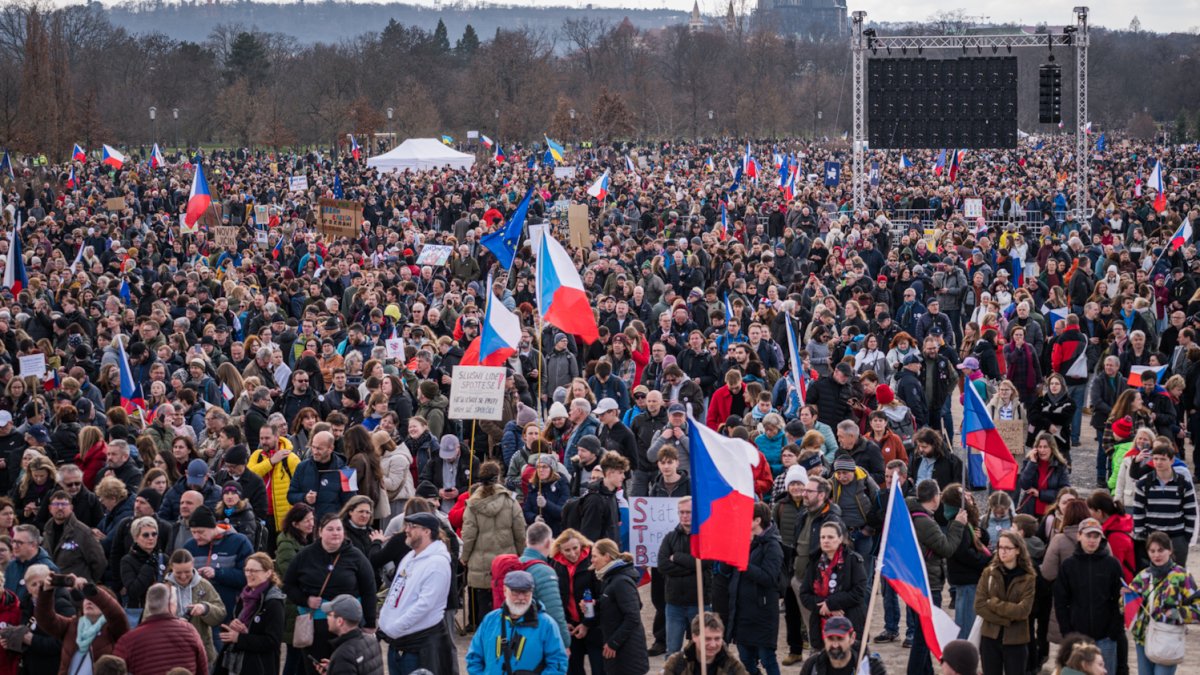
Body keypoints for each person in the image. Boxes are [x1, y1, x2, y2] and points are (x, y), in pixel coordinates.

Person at [281, 514, 378, 675]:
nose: (335, 533)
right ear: (320, 532)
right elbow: (288, 585)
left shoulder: (355, 555)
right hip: (315, 625)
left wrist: (370, 622)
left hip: (347, 625)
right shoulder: (305, 555)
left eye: (339, 529)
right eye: (330, 529)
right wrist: (305, 600)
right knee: (316, 670)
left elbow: (369, 589)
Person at [379, 511, 453, 675]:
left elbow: (425, 605)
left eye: (412, 526)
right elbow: (395, 593)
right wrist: (385, 622)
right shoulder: (410, 557)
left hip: (419, 647)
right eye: (407, 525)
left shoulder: (437, 564)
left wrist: (395, 628)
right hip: (398, 643)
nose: (406, 530)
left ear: (427, 531)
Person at [908, 478, 968, 675]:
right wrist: (958, 525)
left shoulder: (912, 514)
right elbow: (946, 548)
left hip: (917, 582)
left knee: (925, 634)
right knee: (923, 637)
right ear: (935, 497)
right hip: (928, 584)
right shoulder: (924, 522)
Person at [459, 460, 527, 629]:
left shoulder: (472, 504)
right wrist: (522, 553)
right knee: (505, 602)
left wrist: (464, 556)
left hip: (480, 562)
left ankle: (485, 636)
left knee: (483, 604)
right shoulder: (510, 502)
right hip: (506, 561)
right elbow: (520, 531)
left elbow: (468, 535)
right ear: (498, 477)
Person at [1053, 517, 1125, 675]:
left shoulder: (1112, 564)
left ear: (1101, 538)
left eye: (1096, 536)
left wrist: (1114, 630)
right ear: (1079, 536)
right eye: (1088, 536)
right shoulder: (1068, 565)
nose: (1092, 540)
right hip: (1078, 639)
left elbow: (1120, 600)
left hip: (1106, 637)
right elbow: (1060, 601)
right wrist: (1067, 632)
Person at [465, 570, 569, 675]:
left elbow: (558, 664)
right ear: (505, 590)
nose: (521, 598)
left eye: (526, 592)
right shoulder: (490, 619)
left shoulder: (547, 624)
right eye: (515, 592)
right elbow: (474, 658)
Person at [1125, 531, 1200, 675]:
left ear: (1170, 550)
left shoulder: (1182, 576)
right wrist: (1125, 598)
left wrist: (1178, 613)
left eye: (1161, 550)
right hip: (1143, 638)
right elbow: (1126, 609)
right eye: (1152, 551)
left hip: (1168, 638)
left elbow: (1198, 608)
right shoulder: (1142, 576)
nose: (1156, 555)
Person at [34, 573, 129, 675]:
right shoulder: (72, 625)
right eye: (86, 598)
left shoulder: (114, 627)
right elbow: (45, 619)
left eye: (94, 599)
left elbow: (117, 614)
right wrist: (46, 592)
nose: (89, 601)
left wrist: (91, 589)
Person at [799, 520, 867, 653]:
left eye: (830, 537)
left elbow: (859, 592)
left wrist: (831, 604)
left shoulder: (853, 560)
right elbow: (805, 594)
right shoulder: (814, 561)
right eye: (822, 537)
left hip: (850, 622)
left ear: (840, 539)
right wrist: (826, 608)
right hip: (820, 626)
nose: (826, 541)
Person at [974, 531, 1036, 675]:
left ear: (1018, 550)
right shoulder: (989, 573)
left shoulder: (1028, 578)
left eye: (1008, 548)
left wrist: (994, 603)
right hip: (990, 637)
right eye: (1000, 547)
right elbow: (979, 605)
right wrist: (1006, 620)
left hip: (1017, 640)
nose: (1003, 551)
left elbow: (1023, 611)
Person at [112, 583, 209, 675]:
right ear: (171, 604)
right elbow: (203, 670)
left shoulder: (129, 640)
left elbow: (113, 669)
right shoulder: (189, 631)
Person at [215, 552, 286, 675]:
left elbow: (272, 641)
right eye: (247, 570)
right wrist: (231, 626)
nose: (248, 574)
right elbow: (235, 628)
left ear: (268, 573)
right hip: (234, 664)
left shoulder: (273, 603)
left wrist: (240, 638)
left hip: (259, 667)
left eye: (254, 571)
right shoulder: (244, 596)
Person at [591, 538, 649, 675]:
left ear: (606, 557)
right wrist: (596, 604)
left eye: (594, 556)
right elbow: (614, 603)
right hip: (620, 650)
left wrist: (614, 643)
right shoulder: (610, 577)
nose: (592, 561)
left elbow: (633, 616)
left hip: (628, 652)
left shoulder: (621, 581)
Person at [1131, 443, 1196, 565]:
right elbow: (1138, 511)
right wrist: (1141, 535)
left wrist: (1186, 537)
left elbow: (1191, 512)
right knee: (1152, 573)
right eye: (1155, 459)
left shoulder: (1184, 483)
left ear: (1171, 460)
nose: (1158, 462)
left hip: (1177, 537)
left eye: (1163, 459)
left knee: (1177, 574)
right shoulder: (1143, 483)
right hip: (1152, 537)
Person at [551, 528, 604, 675]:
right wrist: (564, 622)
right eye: (567, 550)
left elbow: (601, 596)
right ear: (560, 550)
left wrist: (587, 623)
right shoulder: (555, 565)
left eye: (575, 548)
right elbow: (556, 598)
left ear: (581, 545)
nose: (572, 553)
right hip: (571, 625)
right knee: (573, 669)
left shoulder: (592, 562)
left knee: (599, 668)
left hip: (595, 624)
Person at [163, 548, 227, 668]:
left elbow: (221, 613)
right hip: (170, 652)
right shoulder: (163, 588)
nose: (183, 577)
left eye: (187, 572)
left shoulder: (204, 585)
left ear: (193, 565)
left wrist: (205, 609)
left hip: (201, 650)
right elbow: (149, 618)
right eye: (178, 573)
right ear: (171, 568)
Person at [661, 612, 751, 675]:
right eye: (707, 639)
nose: (713, 644)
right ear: (694, 637)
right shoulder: (677, 663)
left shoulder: (732, 665)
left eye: (717, 638)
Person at [314, 595, 382, 675]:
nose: (327, 618)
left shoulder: (343, 655)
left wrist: (339, 665)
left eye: (329, 614)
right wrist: (334, 669)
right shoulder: (372, 641)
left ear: (340, 621)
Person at [797, 616, 886, 675]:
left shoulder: (871, 667)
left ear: (852, 638)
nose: (835, 645)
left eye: (840, 639)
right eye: (830, 639)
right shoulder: (812, 665)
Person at [1017, 432, 1071, 516]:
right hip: (1030, 511)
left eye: (1045, 447)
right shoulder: (1030, 462)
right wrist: (1032, 463)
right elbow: (1024, 485)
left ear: (1052, 448)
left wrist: (1040, 494)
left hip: (1050, 513)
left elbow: (1064, 492)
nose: (1042, 450)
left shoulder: (1060, 466)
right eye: (1040, 447)